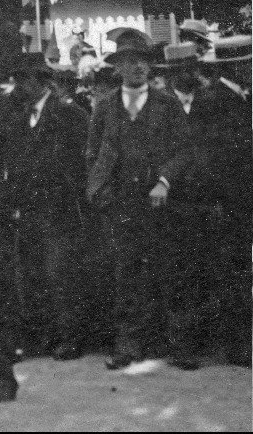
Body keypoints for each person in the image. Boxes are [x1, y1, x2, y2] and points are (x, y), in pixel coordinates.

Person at [86, 29, 195, 370]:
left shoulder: (167, 104)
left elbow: (184, 150)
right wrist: (101, 192)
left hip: (161, 203)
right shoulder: (105, 107)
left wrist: (164, 180)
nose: (136, 67)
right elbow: (92, 154)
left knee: (170, 273)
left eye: (142, 61)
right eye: (128, 61)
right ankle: (127, 344)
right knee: (125, 274)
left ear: (150, 67)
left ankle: (180, 345)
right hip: (122, 206)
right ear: (116, 68)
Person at [4, 54, 90, 360]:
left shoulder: (70, 115)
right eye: (17, 80)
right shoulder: (20, 117)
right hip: (28, 209)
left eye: (24, 80)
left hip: (61, 208)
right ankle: (41, 336)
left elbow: (84, 160)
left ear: (40, 81)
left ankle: (70, 337)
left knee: (61, 274)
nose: (18, 86)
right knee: (32, 273)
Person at [197, 36, 252, 366]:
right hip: (228, 200)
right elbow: (209, 159)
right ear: (237, 66)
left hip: (241, 197)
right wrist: (216, 197)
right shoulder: (214, 100)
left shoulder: (238, 96)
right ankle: (238, 345)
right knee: (234, 272)